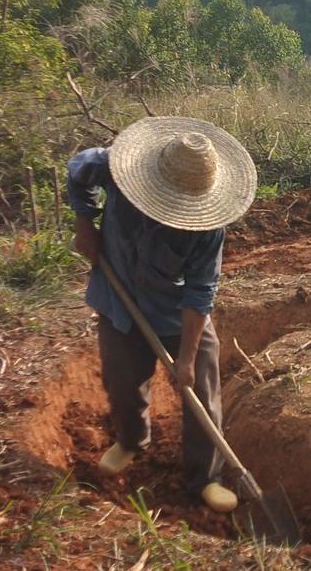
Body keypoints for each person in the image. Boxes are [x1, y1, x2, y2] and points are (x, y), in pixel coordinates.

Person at [67, 117, 257, 512]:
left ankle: (206, 476)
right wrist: (85, 222)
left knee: (202, 388)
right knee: (122, 379)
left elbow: (200, 291)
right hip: (119, 297)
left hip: (174, 311)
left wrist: (185, 358)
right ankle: (131, 440)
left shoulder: (206, 230)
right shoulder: (116, 170)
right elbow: (78, 167)